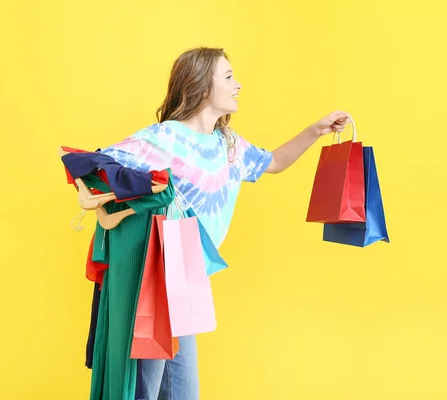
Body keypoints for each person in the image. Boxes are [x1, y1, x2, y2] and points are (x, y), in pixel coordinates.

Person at [99, 46, 350, 400]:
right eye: (229, 77)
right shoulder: (163, 138)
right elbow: (98, 167)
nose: (239, 84)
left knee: (182, 392)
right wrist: (100, 204)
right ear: (201, 85)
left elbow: (274, 162)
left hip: (187, 279)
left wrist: (316, 130)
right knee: (145, 390)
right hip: (154, 278)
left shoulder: (228, 144)